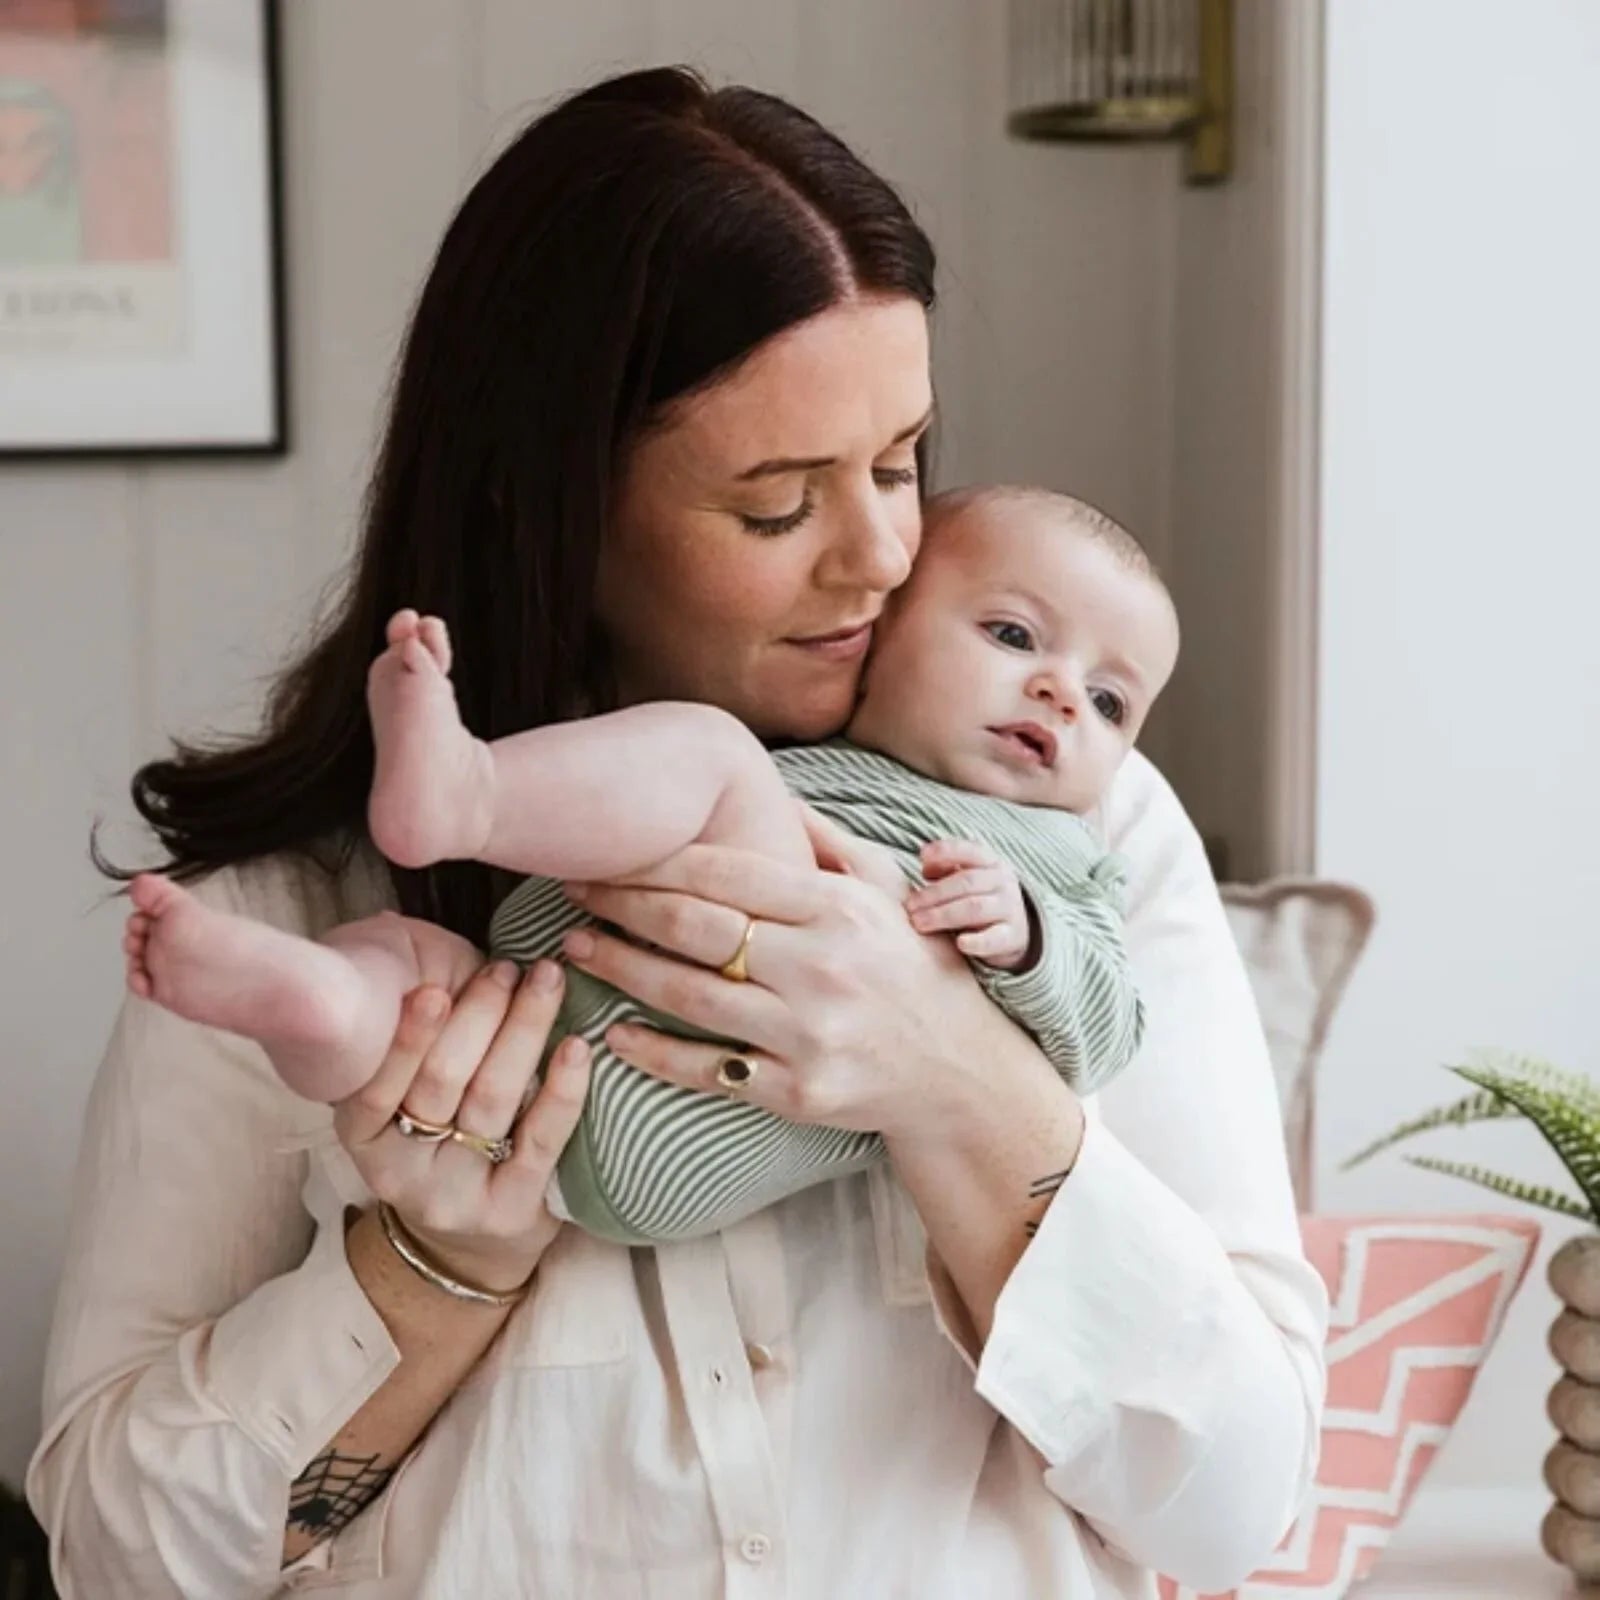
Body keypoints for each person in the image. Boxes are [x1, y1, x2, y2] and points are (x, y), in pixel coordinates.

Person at [27, 66, 1328, 1599]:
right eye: (778, 506)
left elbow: (1239, 1511)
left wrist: (957, 1080)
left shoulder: (1071, 831)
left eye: (901, 463)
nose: (881, 556)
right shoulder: (283, 903)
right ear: (551, 505)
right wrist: (435, 1272)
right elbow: (114, 1560)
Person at [118, 485, 1176, 1246]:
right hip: (533, 1089)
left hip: (713, 1122)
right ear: (878, 628)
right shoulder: (808, 757)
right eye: (1013, 635)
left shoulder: (1063, 856)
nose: (1062, 696)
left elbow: (1112, 1024)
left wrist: (1029, 937)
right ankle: (312, 998)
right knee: (410, 979)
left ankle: (469, 794)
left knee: (711, 758)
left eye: (1110, 701)